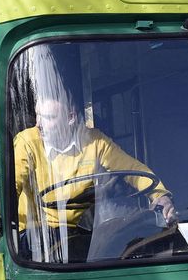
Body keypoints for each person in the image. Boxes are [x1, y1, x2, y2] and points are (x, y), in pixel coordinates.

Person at [12, 82, 177, 262]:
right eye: (38, 116)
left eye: (48, 118)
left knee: (130, 242)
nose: (38, 124)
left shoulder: (94, 141)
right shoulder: (27, 141)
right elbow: (13, 185)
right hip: (35, 232)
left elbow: (131, 169)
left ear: (70, 117)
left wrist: (159, 195)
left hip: (79, 230)